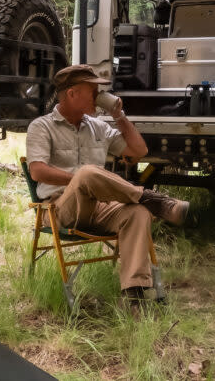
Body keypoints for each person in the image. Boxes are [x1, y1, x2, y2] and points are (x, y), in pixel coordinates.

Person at [26, 64, 189, 311]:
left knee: (137, 213)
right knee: (87, 173)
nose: (98, 95)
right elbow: (37, 171)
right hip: (60, 210)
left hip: (99, 208)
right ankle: (153, 199)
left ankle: (134, 296)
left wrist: (119, 116)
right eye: (93, 90)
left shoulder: (98, 126)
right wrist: (81, 180)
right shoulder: (41, 126)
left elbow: (139, 151)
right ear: (72, 93)